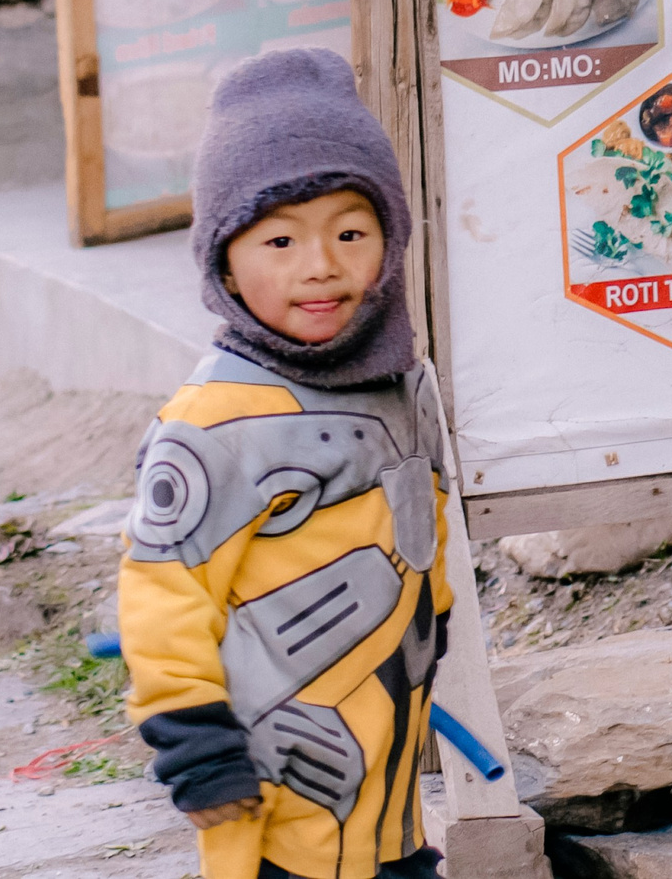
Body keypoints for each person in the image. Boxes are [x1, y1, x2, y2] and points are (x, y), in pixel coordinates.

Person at [119, 48, 451, 879]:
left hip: (388, 789)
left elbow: (424, 520)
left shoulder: (401, 386)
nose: (320, 265)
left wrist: (433, 616)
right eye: (278, 238)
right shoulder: (211, 423)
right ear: (223, 259)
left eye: (351, 231)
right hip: (272, 788)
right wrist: (196, 747)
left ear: (392, 238)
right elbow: (164, 594)